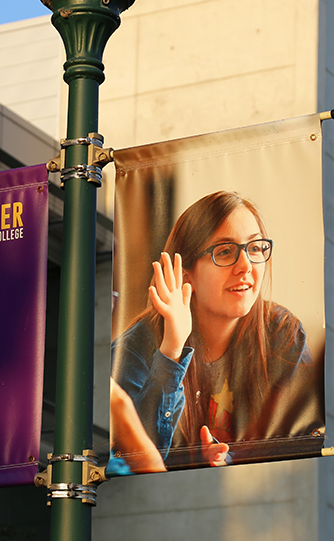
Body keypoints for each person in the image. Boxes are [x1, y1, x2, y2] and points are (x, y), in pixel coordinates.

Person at [109, 190, 322, 474]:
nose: (246, 266)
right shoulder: (137, 346)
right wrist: (171, 348)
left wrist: (226, 462)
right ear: (187, 276)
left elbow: (302, 443)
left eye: (255, 248)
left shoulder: (281, 332)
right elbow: (131, 460)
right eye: (224, 251)